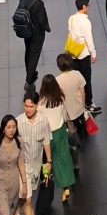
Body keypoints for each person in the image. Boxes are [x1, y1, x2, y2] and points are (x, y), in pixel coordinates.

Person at [13, 95, 53, 215]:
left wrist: (48, 161)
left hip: (36, 166)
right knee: (28, 200)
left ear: (37, 105)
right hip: (22, 167)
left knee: (25, 195)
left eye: (31, 106)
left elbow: (46, 141)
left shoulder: (43, 121)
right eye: (26, 106)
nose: (28, 109)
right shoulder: (18, 122)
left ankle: (16, 213)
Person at [37, 74, 76, 202]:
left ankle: (47, 180)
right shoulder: (60, 98)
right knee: (63, 158)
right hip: (60, 132)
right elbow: (64, 115)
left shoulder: (41, 103)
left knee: (48, 159)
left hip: (47, 134)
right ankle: (66, 186)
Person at [66, 0, 100, 114]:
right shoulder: (85, 21)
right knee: (86, 80)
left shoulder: (71, 18)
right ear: (84, 7)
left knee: (76, 80)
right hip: (83, 54)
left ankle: (77, 103)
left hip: (73, 53)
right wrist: (93, 53)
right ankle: (88, 103)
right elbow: (88, 38)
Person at [18, 0, 51, 86]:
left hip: (25, 31)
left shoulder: (23, 0)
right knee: (34, 56)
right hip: (36, 33)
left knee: (28, 52)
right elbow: (42, 20)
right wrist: (46, 28)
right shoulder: (39, 3)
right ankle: (29, 79)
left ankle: (30, 72)